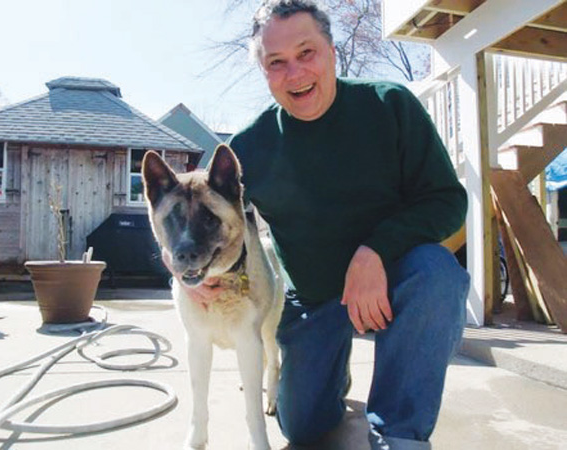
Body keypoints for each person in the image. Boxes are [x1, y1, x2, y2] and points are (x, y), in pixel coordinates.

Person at [187, 0, 470, 448]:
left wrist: (375, 250)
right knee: (301, 425)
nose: (295, 73)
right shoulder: (249, 148)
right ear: (263, 71)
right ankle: (330, 377)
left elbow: (448, 201)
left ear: (332, 52)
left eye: (307, 53)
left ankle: (399, 434)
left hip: (393, 282)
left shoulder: (389, 105)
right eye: (276, 63)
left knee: (437, 272)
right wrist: (184, 268)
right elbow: (191, 207)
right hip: (314, 301)